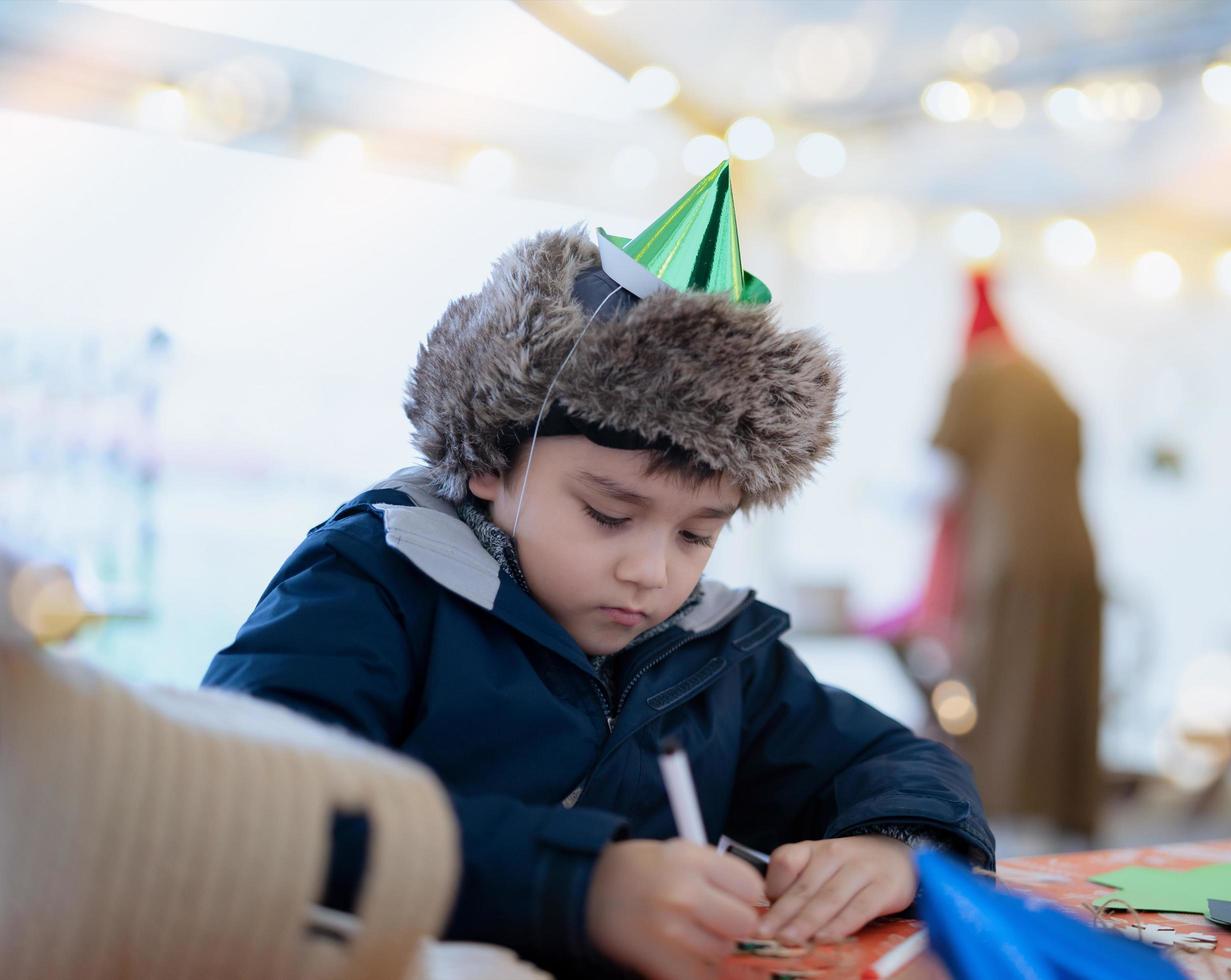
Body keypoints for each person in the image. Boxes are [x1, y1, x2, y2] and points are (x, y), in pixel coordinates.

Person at [203, 162, 994, 980]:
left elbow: (897, 761)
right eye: (609, 515)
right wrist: (577, 883)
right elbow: (253, 801)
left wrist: (897, 845)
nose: (651, 572)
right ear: (491, 456)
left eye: (697, 535)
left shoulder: (712, 652)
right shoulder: (375, 582)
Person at [930, 272, 1102, 844]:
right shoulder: (1046, 378)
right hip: (1076, 553)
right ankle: (1063, 817)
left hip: (1012, 555)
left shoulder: (976, 374)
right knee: (1065, 687)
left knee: (1007, 690)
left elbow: (943, 472)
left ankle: (1000, 827)